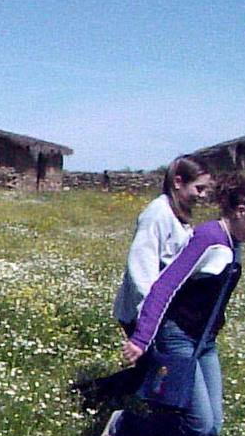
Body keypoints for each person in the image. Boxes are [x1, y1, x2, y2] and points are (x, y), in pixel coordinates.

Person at [95, 174, 245, 436]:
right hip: (178, 338)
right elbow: (164, 287)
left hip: (203, 343)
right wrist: (141, 337)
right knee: (199, 424)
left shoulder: (231, 241)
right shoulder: (210, 238)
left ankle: (132, 435)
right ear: (242, 210)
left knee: (211, 425)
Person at [76, 157, 213, 409]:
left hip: (161, 311)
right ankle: (97, 398)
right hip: (144, 311)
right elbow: (141, 268)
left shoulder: (178, 213)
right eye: (199, 188)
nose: (203, 195)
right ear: (178, 182)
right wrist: (150, 319)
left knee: (151, 371)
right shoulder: (157, 214)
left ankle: (92, 394)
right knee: (158, 372)